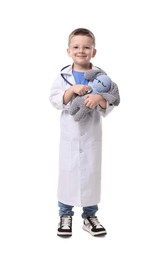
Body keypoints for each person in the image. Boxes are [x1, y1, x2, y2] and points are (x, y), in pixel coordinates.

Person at [49, 28, 120, 237]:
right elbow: (54, 99)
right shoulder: (63, 76)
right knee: (67, 176)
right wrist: (71, 91)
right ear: (69, 51)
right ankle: (65, 214)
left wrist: (100, 100)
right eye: (76, 47)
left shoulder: (101, 77)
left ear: (94, 52)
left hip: (91, 137)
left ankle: (90, 217)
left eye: (86, 47)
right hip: (70, 138)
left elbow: (112, 98)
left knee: (91, 176)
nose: (81, 51)